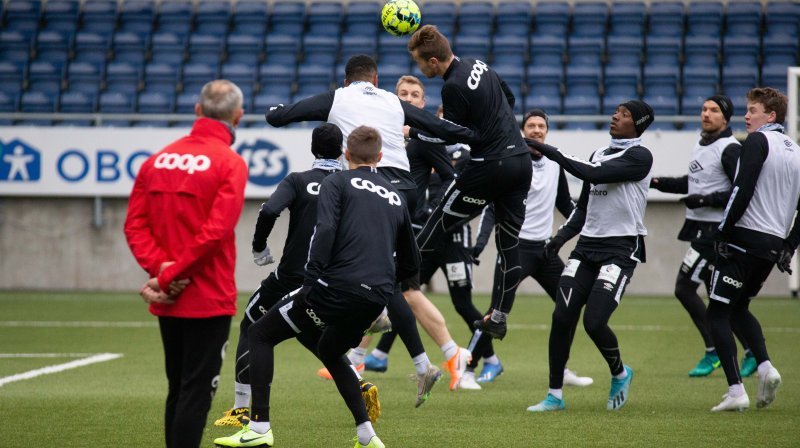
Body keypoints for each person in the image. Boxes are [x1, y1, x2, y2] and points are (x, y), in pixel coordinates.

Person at [267, 55, 475, 399]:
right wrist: (475, 134)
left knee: (366, 272)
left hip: (367, 185)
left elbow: (282, 116)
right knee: (395, 283)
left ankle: (387, 335)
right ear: (376, 81)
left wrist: (274, 111)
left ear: (348, 80)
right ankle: (419, 362)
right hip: (403, 192)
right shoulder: (392, 102)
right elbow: (439, 127)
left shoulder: (339, 97)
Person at [214, 126, 419, 448]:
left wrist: (312, 280)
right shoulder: (395, 196)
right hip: (375, 296)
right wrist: (383, 289)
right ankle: (367, 435)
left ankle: (257, 427)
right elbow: (411, 261)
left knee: (259, 333)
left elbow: (323, 231)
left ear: (347, 155)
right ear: (380, 157)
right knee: (329, 349)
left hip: (331, 286)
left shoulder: (336, 181)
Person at [124, 80, 247, 448]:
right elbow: (216, 233)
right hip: (207, 298)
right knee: (197, 393)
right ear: (238, 117)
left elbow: (134, 224)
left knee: (177, 389)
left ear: (197, 111)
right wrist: (170, 275)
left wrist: (160, 272)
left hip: (169, 298)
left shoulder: (156, 160)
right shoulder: (230, 163)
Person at [525, 100, 655, 412]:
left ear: (638, 124)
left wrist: (551, 151)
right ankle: (554, 395)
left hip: (621, 250)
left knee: (594, 322)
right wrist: (559, 239)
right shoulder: (599, 153)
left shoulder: (639, 155)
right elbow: (583, 207)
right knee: (561, 316)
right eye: (616, 112)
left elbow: (593, 174)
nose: (615, 116)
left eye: (623, 115)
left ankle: (620, 373)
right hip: (586, 248)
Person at [407, 25, 533, 340]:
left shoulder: (452, 88)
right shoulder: (479, 64)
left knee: (437, 222)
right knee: (509, 244)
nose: (419, 69)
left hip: (490, 167)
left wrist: (414, 129)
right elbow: (509, 97)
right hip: (520, 161)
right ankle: (500, 317)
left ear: (432, 62)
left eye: (420, 64)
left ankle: (396, 290)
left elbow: (449, 134)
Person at [360, 79, 488, 390]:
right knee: (399, 293)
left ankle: (357, 357)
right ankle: (438, 356)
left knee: (397, 291)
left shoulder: (426, 135)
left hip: (408, 226)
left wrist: (435, 215)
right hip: (382, 224)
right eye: (402, 93)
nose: (408, 98)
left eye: (414, 95)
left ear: (422, 103)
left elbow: (453, 178)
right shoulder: (382, 133)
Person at [472, 109, 593, 387]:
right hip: (515, 249)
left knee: (569, 305)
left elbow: (566, 204)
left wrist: (590, 225)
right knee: (497, 311)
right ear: (523, 130)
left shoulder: (555, 163)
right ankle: (467, 367)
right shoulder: (512, 161)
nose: (537, 130)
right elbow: (492, 206)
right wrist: (481, 242)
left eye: (541, 126)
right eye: (531, 125)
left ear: (547, 131)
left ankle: (560, 370)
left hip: (546, 251)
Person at [706, 87, 800, 412]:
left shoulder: (758, 142)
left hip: (743, 240)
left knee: (717, 312)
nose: (746, 116)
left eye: (752, 110)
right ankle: (765, 367)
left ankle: (736, 391)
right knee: (739, 307)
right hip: (771, 246)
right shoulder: (797, 151)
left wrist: (723, 231)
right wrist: (789, 246)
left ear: (771, 116)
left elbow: (741, 189)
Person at [650, 95, 756, 378]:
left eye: (714, 110)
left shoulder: (730, 149)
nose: (706, 114)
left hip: (715, 234)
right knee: (717, 295)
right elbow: (693, 182)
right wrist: (656, 182)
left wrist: (705, 200)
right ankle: (751, 352)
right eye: (704, 109)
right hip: (702, 230)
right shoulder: (702, 145)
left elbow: (741, 190)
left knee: (684, 288)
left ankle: (713, 351)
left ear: (726, 117)